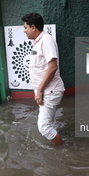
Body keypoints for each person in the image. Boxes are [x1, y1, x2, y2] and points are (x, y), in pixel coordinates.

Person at [21, 13, 65, 145]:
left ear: (33, 27)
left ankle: (63, 150)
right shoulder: (39, 42)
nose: (24, 31)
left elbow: (52, 67)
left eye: (25, 27)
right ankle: (57, 140)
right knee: (50, 123)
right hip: (46, 91)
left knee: (44, 127)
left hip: (49, 91)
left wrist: (39, 90)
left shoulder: (46, 41)